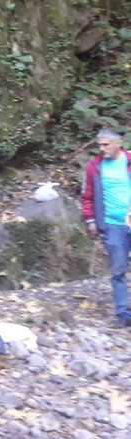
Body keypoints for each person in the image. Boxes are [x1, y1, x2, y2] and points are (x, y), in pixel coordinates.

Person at [81, 129, 131, 327]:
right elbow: (87, 196)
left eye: (106, 144)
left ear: (118, 144)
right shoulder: (94, 166)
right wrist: (91, 220)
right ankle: (123, 314)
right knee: (118, 270)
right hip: (112, 225)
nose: (102, 149)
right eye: (99, 145)